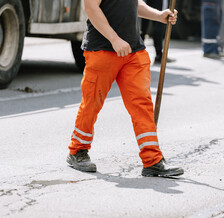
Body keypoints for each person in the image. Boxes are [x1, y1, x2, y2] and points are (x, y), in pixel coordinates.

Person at [66, 0, 184, 177]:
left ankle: (152, 161)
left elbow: (133, 3)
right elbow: (91, 7)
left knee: (142, 105)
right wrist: (114, 39)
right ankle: (77, 151)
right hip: (102, 50)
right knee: (92, 103)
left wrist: (158, 15)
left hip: (133, 50)